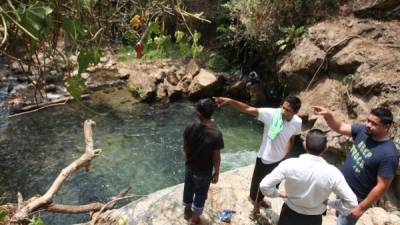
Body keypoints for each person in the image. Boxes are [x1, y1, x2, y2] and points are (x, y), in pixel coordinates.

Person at [213, 95, 302, 218]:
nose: (283, 111)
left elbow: (292, 138)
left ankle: (260, 200)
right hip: (265, 158)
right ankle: (255, 209)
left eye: (288, 110)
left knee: (272, 186)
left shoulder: (297, 122)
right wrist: (230, 101)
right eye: (283, 107)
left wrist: (286, 154)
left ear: (295, 112)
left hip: (280, 160)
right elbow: (248, 109)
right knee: (259, 187)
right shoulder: (271, 114)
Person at [312, 106, 399, 225]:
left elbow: (382, 186)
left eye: (374, 123)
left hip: (354, 199)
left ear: (386, 127)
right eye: (368, 121)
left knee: (343, 222)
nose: (368, 125)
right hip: (341, 186)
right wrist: (329, 115)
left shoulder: (389, 154)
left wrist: (361, 208)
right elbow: (340, 127)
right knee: (338, 216)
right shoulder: (364, 132)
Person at [260, 129, 358, 225]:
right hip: (314, 219)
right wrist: (330, 202)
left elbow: (264, 185)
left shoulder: (289, 164)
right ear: (325, 148)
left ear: (305, 145)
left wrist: (278, 194)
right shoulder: (333, 173)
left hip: (289, 214)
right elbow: (352, 203)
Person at [183, 98, 224, 225]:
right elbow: (216, 158)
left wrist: (189, 161)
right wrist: (216, 173)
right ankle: (195, 219)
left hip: (189, 167)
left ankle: (187, 210)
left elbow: (185, 148)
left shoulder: (189, 127)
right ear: (212, 114)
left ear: (198, 114)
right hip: (204, 172)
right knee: (201, 194)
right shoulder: (216, 134)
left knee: (188, 188)